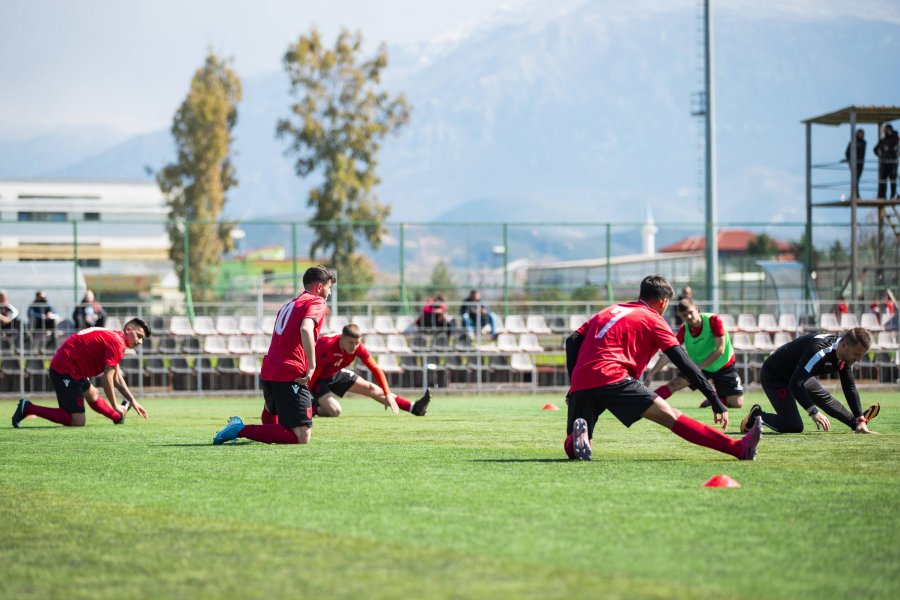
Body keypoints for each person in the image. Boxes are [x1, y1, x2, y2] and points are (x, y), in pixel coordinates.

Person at [563, 274, 762, 462]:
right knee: (671, 416)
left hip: (582, 378)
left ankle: (575, 441)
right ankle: (737, 447)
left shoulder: (611, 310)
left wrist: (574, 386)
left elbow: (572, 341)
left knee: (578, 442)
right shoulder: (653, 318)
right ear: (663, 302)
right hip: (614, 377)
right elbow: (682, 361)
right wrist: (713, 397)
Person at [213, 265, 336, 445]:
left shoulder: (290, 304)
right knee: (302, 436)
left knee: (272, 416)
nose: (329, 293)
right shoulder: (316, 302)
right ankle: (239, 429)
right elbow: (306, 328)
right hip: (289, 371)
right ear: (319, 287)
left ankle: (253, 431)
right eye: (329, 288)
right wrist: (312, 365)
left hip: (271, 367)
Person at [11, 318, 151, 428]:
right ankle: (28, 408)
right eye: (138, 336)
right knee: (77, 420)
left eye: (142, 339)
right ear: (128, 329)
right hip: (65, 369)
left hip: (74, 369)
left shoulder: (116, 338)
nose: (140, 341)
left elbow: (117, 378)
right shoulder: (117, 343)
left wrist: (133, 401)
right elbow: (108, 379)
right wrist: (115, 405)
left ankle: (117, 417)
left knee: (92, 394)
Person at [741, 327, 879, 435]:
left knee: (826, 400)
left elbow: (849, 387)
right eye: (857, 354)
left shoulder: (845, 353)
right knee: (794, 426)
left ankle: (857, 423)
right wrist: (813, 411)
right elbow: (796, 384)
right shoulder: (819, 351)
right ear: (844, 345)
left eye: (861, 356)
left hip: (799, 375)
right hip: (775, 376)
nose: (859, 359)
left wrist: (860, 418)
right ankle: (756, 415)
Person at [278, 323, 431, 419]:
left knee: (372, 388)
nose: (354, 347)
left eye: (357, 343)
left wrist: (388, 392)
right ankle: (314, 406)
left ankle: (414, 408)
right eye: (351, 343)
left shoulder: (358, 348)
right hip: (316, 379)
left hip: (335, 374)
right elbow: (313, 372)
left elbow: (375, 369)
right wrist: (306, 396)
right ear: (341, 338)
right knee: (335, 411)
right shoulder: (325, 346)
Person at [645, 298, 744, 410]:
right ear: (681, 317)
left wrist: (697, 369)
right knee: (675, 384)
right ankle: (646, 402)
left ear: (696, 309)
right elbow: (669, 353)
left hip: (723, 366)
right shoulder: (684, 329)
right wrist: (652, 373)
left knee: (737, 403)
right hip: (699, 367)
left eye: (691, 313)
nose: (689, 317)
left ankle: (716, 398)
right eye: (684, 315)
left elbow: (720, 350)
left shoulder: (714, 320)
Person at [873, 123, 898, 200]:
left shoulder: (896, 139)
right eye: (884, 130)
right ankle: (882, 196)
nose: (885, 132)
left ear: (890, 130)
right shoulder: (883, 140)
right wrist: (880, 156)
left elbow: (895, 149)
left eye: (886, 130)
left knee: (893, 180)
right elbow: (875, 149)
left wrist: (895, 154)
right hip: (884, 163)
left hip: (893, 163)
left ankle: (893, 195)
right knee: (883, 180)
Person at [842, 129, 866, 198]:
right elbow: (847, 152)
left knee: (857, 180)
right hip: (854, 164)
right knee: (855, 179)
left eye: (862, 133)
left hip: (860, 164)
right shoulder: (853, 142)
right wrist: (850, 160)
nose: (861, 135)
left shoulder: (864, 142)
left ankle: (855, 194)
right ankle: (855, 195)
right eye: (860, 133)